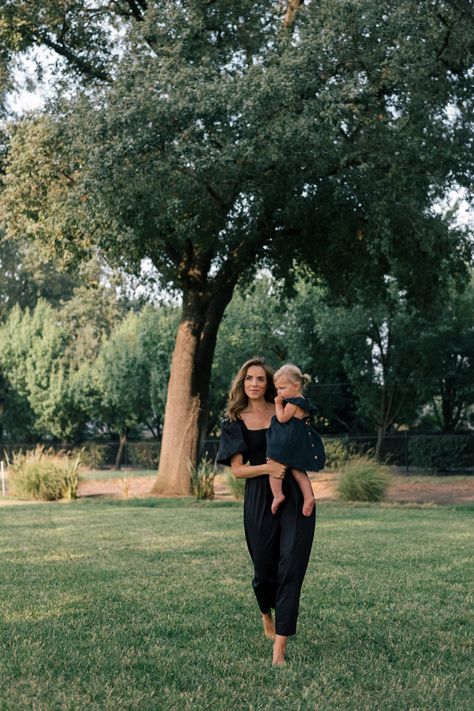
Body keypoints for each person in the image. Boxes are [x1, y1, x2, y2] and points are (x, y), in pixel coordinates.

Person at [217, 357, 316, 666]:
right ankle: (265, 613)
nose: (255, 383)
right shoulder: (234, 420)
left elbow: (304, 441)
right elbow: (237, 471)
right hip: (261, 497)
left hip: (296, 496)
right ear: (242, 384)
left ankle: (280, 649)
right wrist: (268, 467)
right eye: (250, 379)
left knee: (290, 568)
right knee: (264, 573)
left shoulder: (284, 410)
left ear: (270, 383)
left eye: (261, 378)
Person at [266, 364, 326, 517]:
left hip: (288, 441)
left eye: (282, 388)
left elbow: (282, 418)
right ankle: (308, 496)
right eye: (277, 389)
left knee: (273, 464)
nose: (279, 392)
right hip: (298, 441)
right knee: (298, 471)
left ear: (296, 386)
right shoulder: (303, 400)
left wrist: (278, 405)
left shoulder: (293, 402)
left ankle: (278, 495)